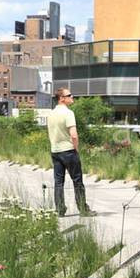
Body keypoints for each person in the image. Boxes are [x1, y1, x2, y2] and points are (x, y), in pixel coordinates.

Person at [46, 88, 91, 216]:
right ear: (61, 98)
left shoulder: (51, 114)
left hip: (55, 151)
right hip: (68, 150)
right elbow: (74, 135)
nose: (72, 97)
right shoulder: (68, 113)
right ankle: (83, 209)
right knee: (77, 180)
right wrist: (76, 148)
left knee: (58, 182)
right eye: (69, 95)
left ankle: (60, 209)